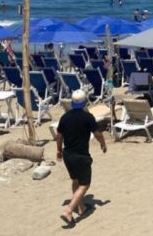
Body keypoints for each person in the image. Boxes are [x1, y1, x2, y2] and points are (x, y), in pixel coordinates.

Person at [56, 90, 107, 227]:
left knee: (75, 181)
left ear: (72, 103)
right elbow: (98, 134)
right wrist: (103, 144)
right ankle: (68, 211)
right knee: (85, 184)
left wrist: (59, 150)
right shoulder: (87, 117)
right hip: (81, 156)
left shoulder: (65, 117)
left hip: (68, 155)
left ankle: (81, 208)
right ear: (84, 102)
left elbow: (59, 136)